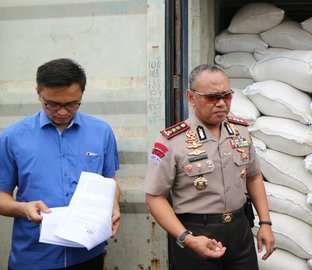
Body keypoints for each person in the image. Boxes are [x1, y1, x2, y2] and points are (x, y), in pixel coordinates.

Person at [144, 64, 275, 270]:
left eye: (227, 96)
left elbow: (253, 177)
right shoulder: (171, 141)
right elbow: (155, 197)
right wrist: (186, 238)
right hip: (196, 233)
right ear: (191, 97)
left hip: (239, 230)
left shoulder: (240, 131)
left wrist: (265, 223)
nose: (222, 103)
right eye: (212, 97)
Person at [0, 58, 121, 269]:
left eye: (72, 104)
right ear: (38, 93)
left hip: (87, 254)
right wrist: (22, 209)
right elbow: (2, 195)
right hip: (34, 257)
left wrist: (114, 205)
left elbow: (109, 181)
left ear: (82, 94)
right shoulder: (12, 137)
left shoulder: (101, 132)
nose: (62, 112)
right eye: (52, 104)